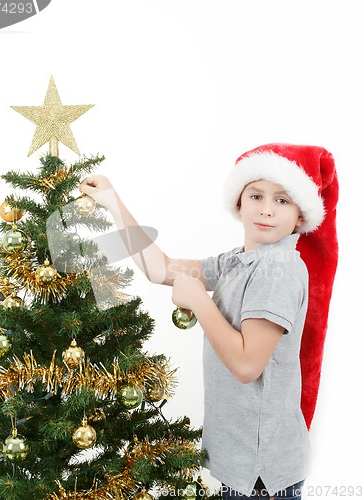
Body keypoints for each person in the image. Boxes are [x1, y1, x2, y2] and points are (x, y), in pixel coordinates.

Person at [79, 143, 338, 500]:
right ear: (239, 202)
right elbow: (160, 269)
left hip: (260, 474)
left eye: (282, 200)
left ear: (300, 215)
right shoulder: (238, 261)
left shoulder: (277, 269)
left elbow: (247, 365)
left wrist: (200, 301)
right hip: (239, 460)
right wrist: (114, 203)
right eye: (256, 196)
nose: (266, 210)